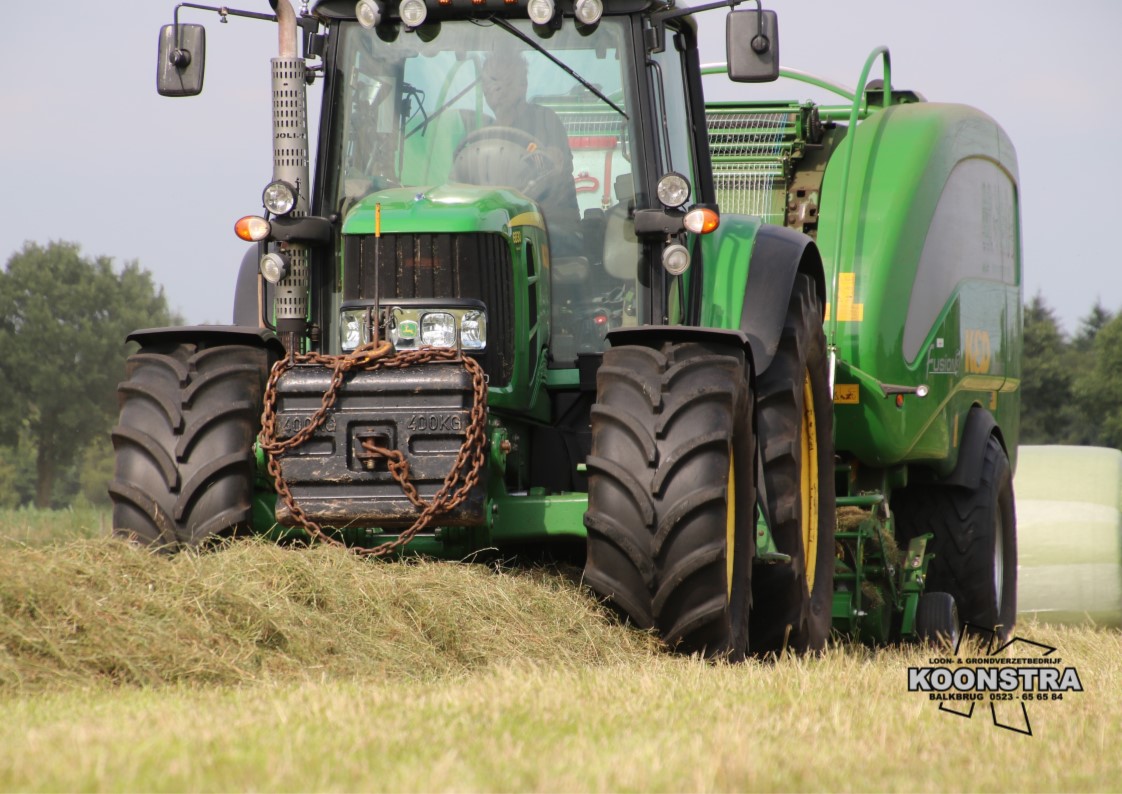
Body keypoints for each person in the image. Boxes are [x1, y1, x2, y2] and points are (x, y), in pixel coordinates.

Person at [476, 50, 582, 250]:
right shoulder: (479, 136)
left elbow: (557, 166)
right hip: (496, 228)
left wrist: (550, 161)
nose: (498, 89)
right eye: (491, 82)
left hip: (550, 226)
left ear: (523, 85)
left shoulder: (545, 120)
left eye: (506, 82)